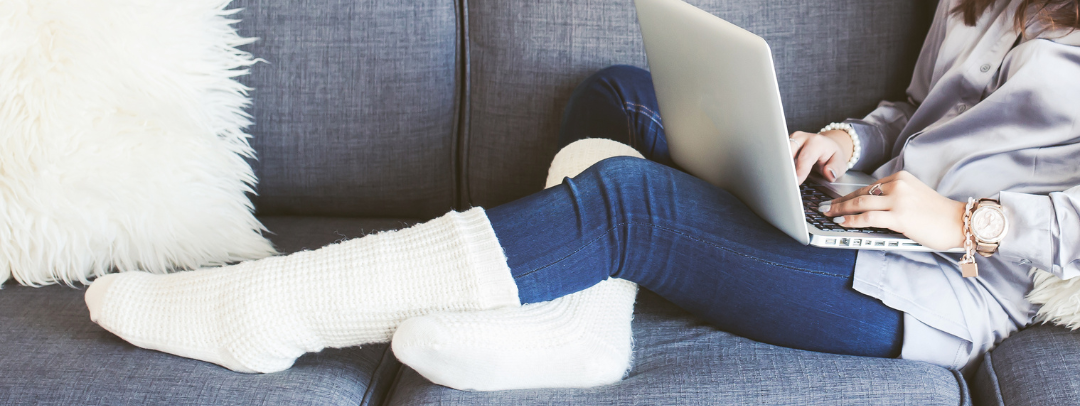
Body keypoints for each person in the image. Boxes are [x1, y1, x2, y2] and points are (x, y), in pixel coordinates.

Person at [85, 0, 1080, 390]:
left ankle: (270, 311)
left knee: (627, 204)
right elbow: (909, 109)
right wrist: (843, 140)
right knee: (615, 95)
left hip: (932, 292)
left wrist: (962, 220)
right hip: (859, 209)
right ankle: (575, 324)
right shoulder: (985, 3)